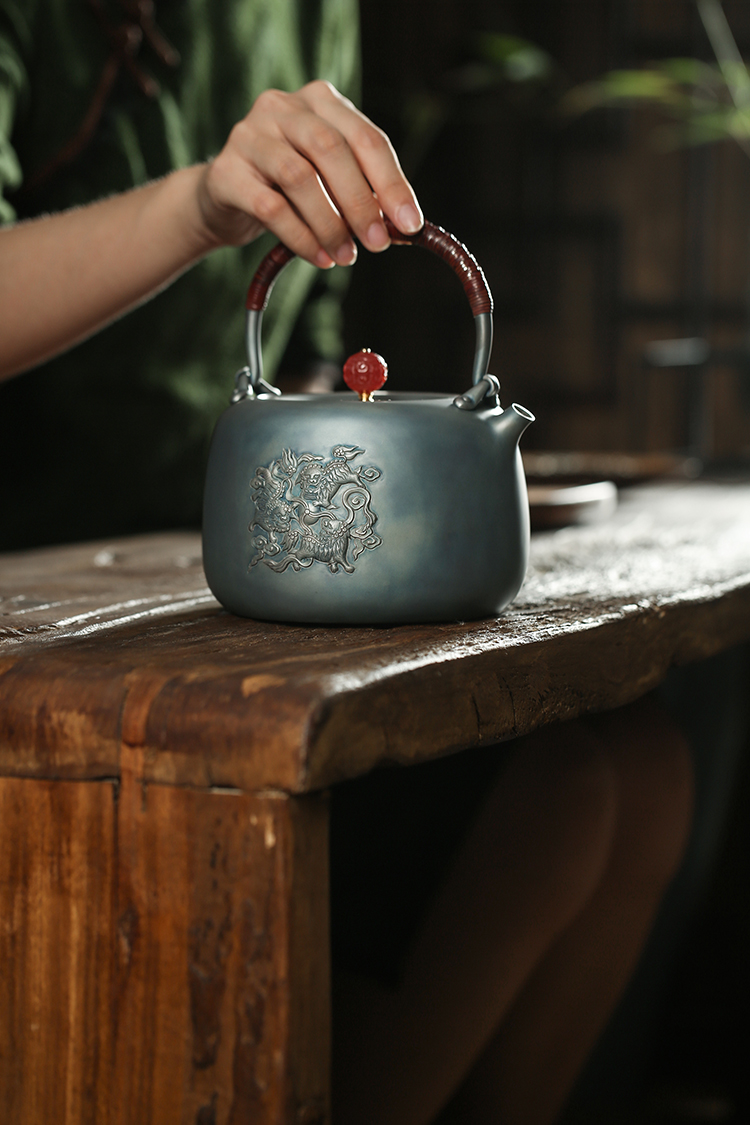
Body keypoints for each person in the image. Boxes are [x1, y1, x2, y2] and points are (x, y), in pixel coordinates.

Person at [0, 5, 695, 1123]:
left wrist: (402, 481)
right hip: (47, 592)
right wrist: (198, 208)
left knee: (643, 766)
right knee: (558, 798)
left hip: (221, 577)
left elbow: (311, 341)